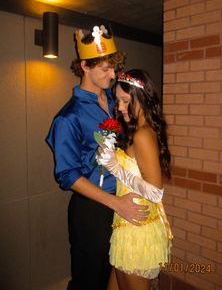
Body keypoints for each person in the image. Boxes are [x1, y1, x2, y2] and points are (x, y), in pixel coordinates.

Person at [46, 27, 149, 290]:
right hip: (92, 210)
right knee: (89, 279)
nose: (113, 75)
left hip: (121, 200)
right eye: (105, 69)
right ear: (84, 66)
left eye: (114, 68)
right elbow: (67, 176)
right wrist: (116, 203)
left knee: (113, 275)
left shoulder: (116, 102)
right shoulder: (68, 118)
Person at [97, 69, 173, 290]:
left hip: (137, 229)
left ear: (141, 98)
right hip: (128, 223)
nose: (119, 108)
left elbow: (155, 192)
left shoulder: (142, 135)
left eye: (124, 101)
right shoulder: (137, 130)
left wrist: (114, 167)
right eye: (117, 101)